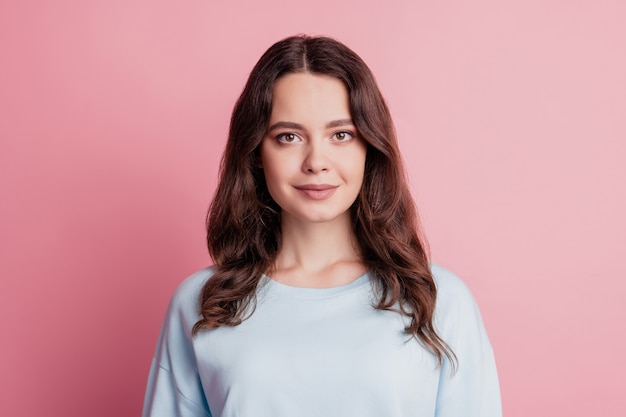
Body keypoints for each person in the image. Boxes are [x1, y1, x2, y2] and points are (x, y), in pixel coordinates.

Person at [142, 35, 502, 417]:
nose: (316, 161)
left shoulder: (439, 299)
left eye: (341, 135)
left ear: (370, 148)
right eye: (289, 137)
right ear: (256, 153)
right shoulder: (202, 303)